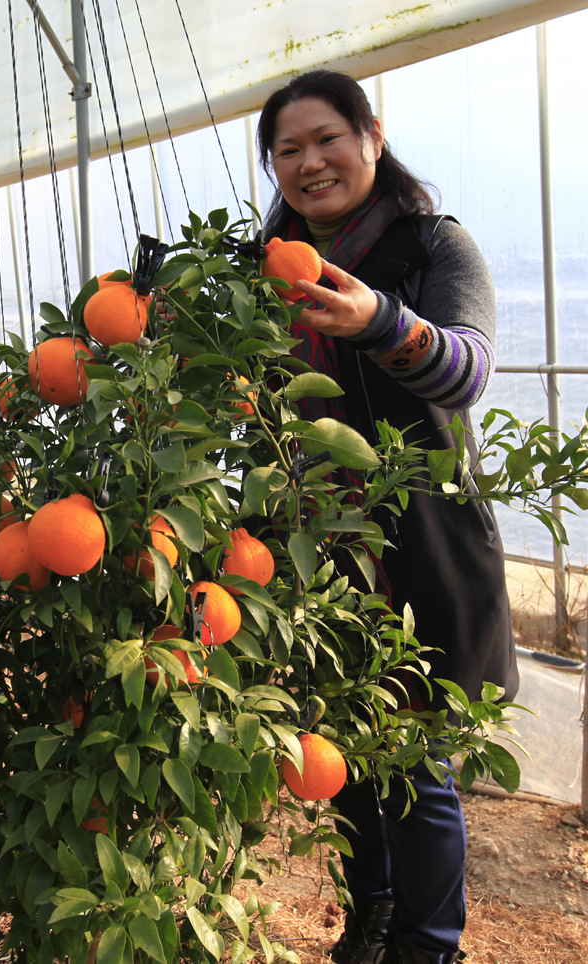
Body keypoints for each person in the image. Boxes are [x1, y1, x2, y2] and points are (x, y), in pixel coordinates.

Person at [256, 71, 518, 964]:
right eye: (287, 150)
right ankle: (369, 920)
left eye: (326, 138)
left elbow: (468, 370)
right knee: (341, 752)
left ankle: (426, 944)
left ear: (372, 135)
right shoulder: (264, 270)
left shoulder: (433, 245)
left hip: (423, 544)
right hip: (316, 551)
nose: (309, 162)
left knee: (414, 764)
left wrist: (377, 320)